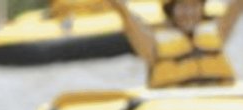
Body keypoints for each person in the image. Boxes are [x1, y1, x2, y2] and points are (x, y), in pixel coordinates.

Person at [102, 0, 240, 87]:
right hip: (177, 108)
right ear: (170, 11)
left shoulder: (216, 32)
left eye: (194, 6)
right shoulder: (153, 44)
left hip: (216, 103)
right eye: (183, 7)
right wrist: (119, 6)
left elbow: (237, 6)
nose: (189, 13)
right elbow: (127, 18)